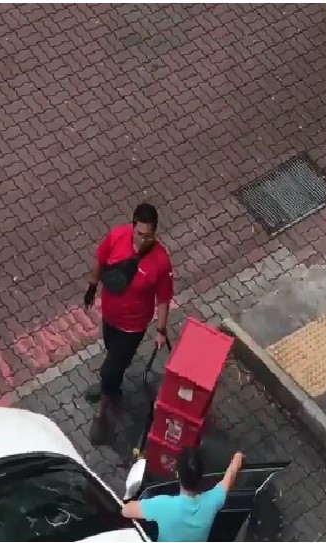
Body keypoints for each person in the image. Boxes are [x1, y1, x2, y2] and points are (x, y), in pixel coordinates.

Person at [83, 203, 174, 444]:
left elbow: (163, 298)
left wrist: (161, 330)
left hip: (132, 327)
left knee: (110, 369)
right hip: (110, 317)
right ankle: (111, 389)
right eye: (140, 234)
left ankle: (102, 415)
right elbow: (100, 261)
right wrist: (92, 286)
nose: (144, 240)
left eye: (149, 236)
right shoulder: (116, 237)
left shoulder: (161, 262)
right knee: (113, 356)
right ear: (132, 226)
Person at [122, 448, 245, 542]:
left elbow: (126, 511)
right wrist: (238, 457)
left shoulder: (163, 505)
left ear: (177, 474)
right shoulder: (213, 501)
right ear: (201, 475)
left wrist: (130, 498)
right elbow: (231, 474)